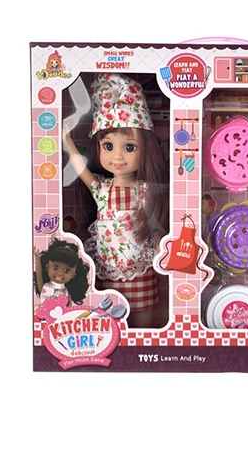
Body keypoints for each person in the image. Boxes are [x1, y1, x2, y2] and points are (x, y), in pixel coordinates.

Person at [63, 73, 169, 328]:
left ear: (146, 149)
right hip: (108, 268)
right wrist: (66, 140)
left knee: (143, 320)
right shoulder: (101, 188)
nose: (118, 156)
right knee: (109, 319)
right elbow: (79, 167)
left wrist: (161, 247)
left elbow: (154, 222)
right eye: (108, 146)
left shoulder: (146, 190)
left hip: (141, 268)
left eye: (129, 147)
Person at [34, 239, 90, 307]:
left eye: (66, 271)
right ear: (47, 267)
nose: (60, 273)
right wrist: (37, 257)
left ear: (73, 275)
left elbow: (69, 307)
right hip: (44, 312)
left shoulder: (66, 292)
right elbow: (39, 274)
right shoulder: (46, 287)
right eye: (55, 268)